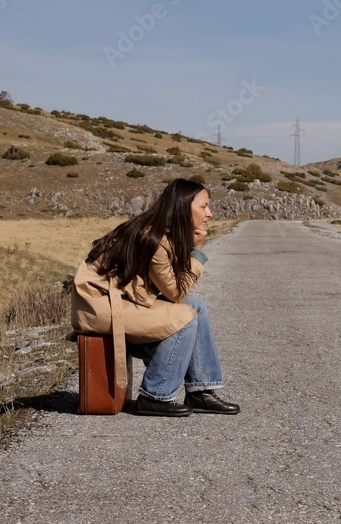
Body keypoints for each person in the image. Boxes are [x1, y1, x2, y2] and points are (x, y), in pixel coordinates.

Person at [70, 178, 239, 417]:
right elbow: (176, 292)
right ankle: (154, 395)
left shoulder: (162, 234)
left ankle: (200, 391)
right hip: (99, 304)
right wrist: (197, 251)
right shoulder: (155, 240)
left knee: (195, 305)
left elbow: (178, 291)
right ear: (183, 207)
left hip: (121, 299)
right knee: (184, 316)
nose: (209, 213)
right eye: (204, 206)